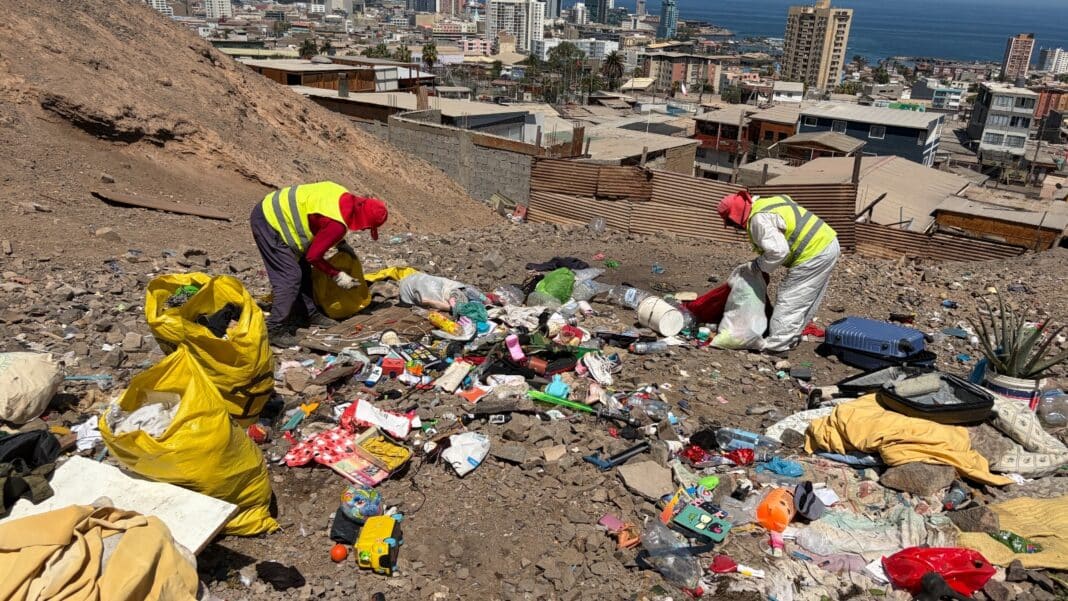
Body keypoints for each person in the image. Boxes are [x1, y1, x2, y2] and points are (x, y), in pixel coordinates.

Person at [251, 181, 387, 346]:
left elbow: (321, 220)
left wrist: (341, 244)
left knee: (303, 270)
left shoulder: (342, 194)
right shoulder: (337, 225)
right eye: (367, 227)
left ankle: (308, 314)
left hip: (277, 213)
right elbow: (313, 257)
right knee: (290, 277)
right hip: (269, 221)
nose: (364, 229)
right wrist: (337, 275)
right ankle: (274, 328)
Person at [717, 190, 839, 354]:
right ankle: (790, 338)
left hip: (814, 252)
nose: (736, 227)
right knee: (806, 298)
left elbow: (779, 251)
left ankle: (777, 347)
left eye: (731, 223)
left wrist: (758, 266)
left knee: (791, 298)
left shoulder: (758, 219)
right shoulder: (767, 203)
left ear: (735, 216)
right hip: (828, 243)